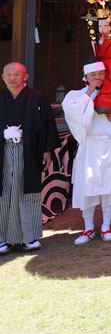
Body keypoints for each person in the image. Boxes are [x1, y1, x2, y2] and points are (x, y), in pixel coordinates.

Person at [63, 57, 111, 245]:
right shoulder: (76, 95)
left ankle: (106, 226)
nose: (97, 77)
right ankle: (88, 228)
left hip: (110, 145)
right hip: (89, 146)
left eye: (100, 73)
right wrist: (90, 91)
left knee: (109, 187)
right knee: (87, 187)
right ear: (85, 76)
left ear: (106, 74)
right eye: (92, 74)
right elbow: (73, 113)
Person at [0, 62, 60, 253]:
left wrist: (47, 150)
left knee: (28, 192)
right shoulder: (1, 98)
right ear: (3, 77)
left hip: (30, 150)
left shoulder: (38, 98)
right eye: (8, 74)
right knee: (4, 193)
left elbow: (47, 125)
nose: (12, 78)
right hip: (4, 151)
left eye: (17, 74)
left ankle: (29, 236)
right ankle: (3, 238)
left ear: (25, 76)